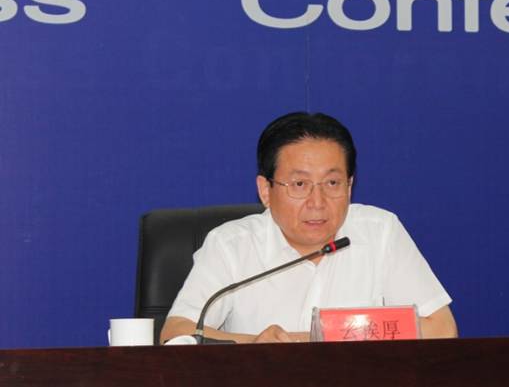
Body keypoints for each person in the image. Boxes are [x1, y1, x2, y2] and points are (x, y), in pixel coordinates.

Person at [160, 112, 457, 344]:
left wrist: (305, 342)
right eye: (300, 184)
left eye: (332, 183)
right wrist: (257, 345)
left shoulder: (380, 232)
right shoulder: (231, 245)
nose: (317, 202)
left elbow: (442, 329)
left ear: (350, 186)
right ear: (265, 190)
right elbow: (176, 332)